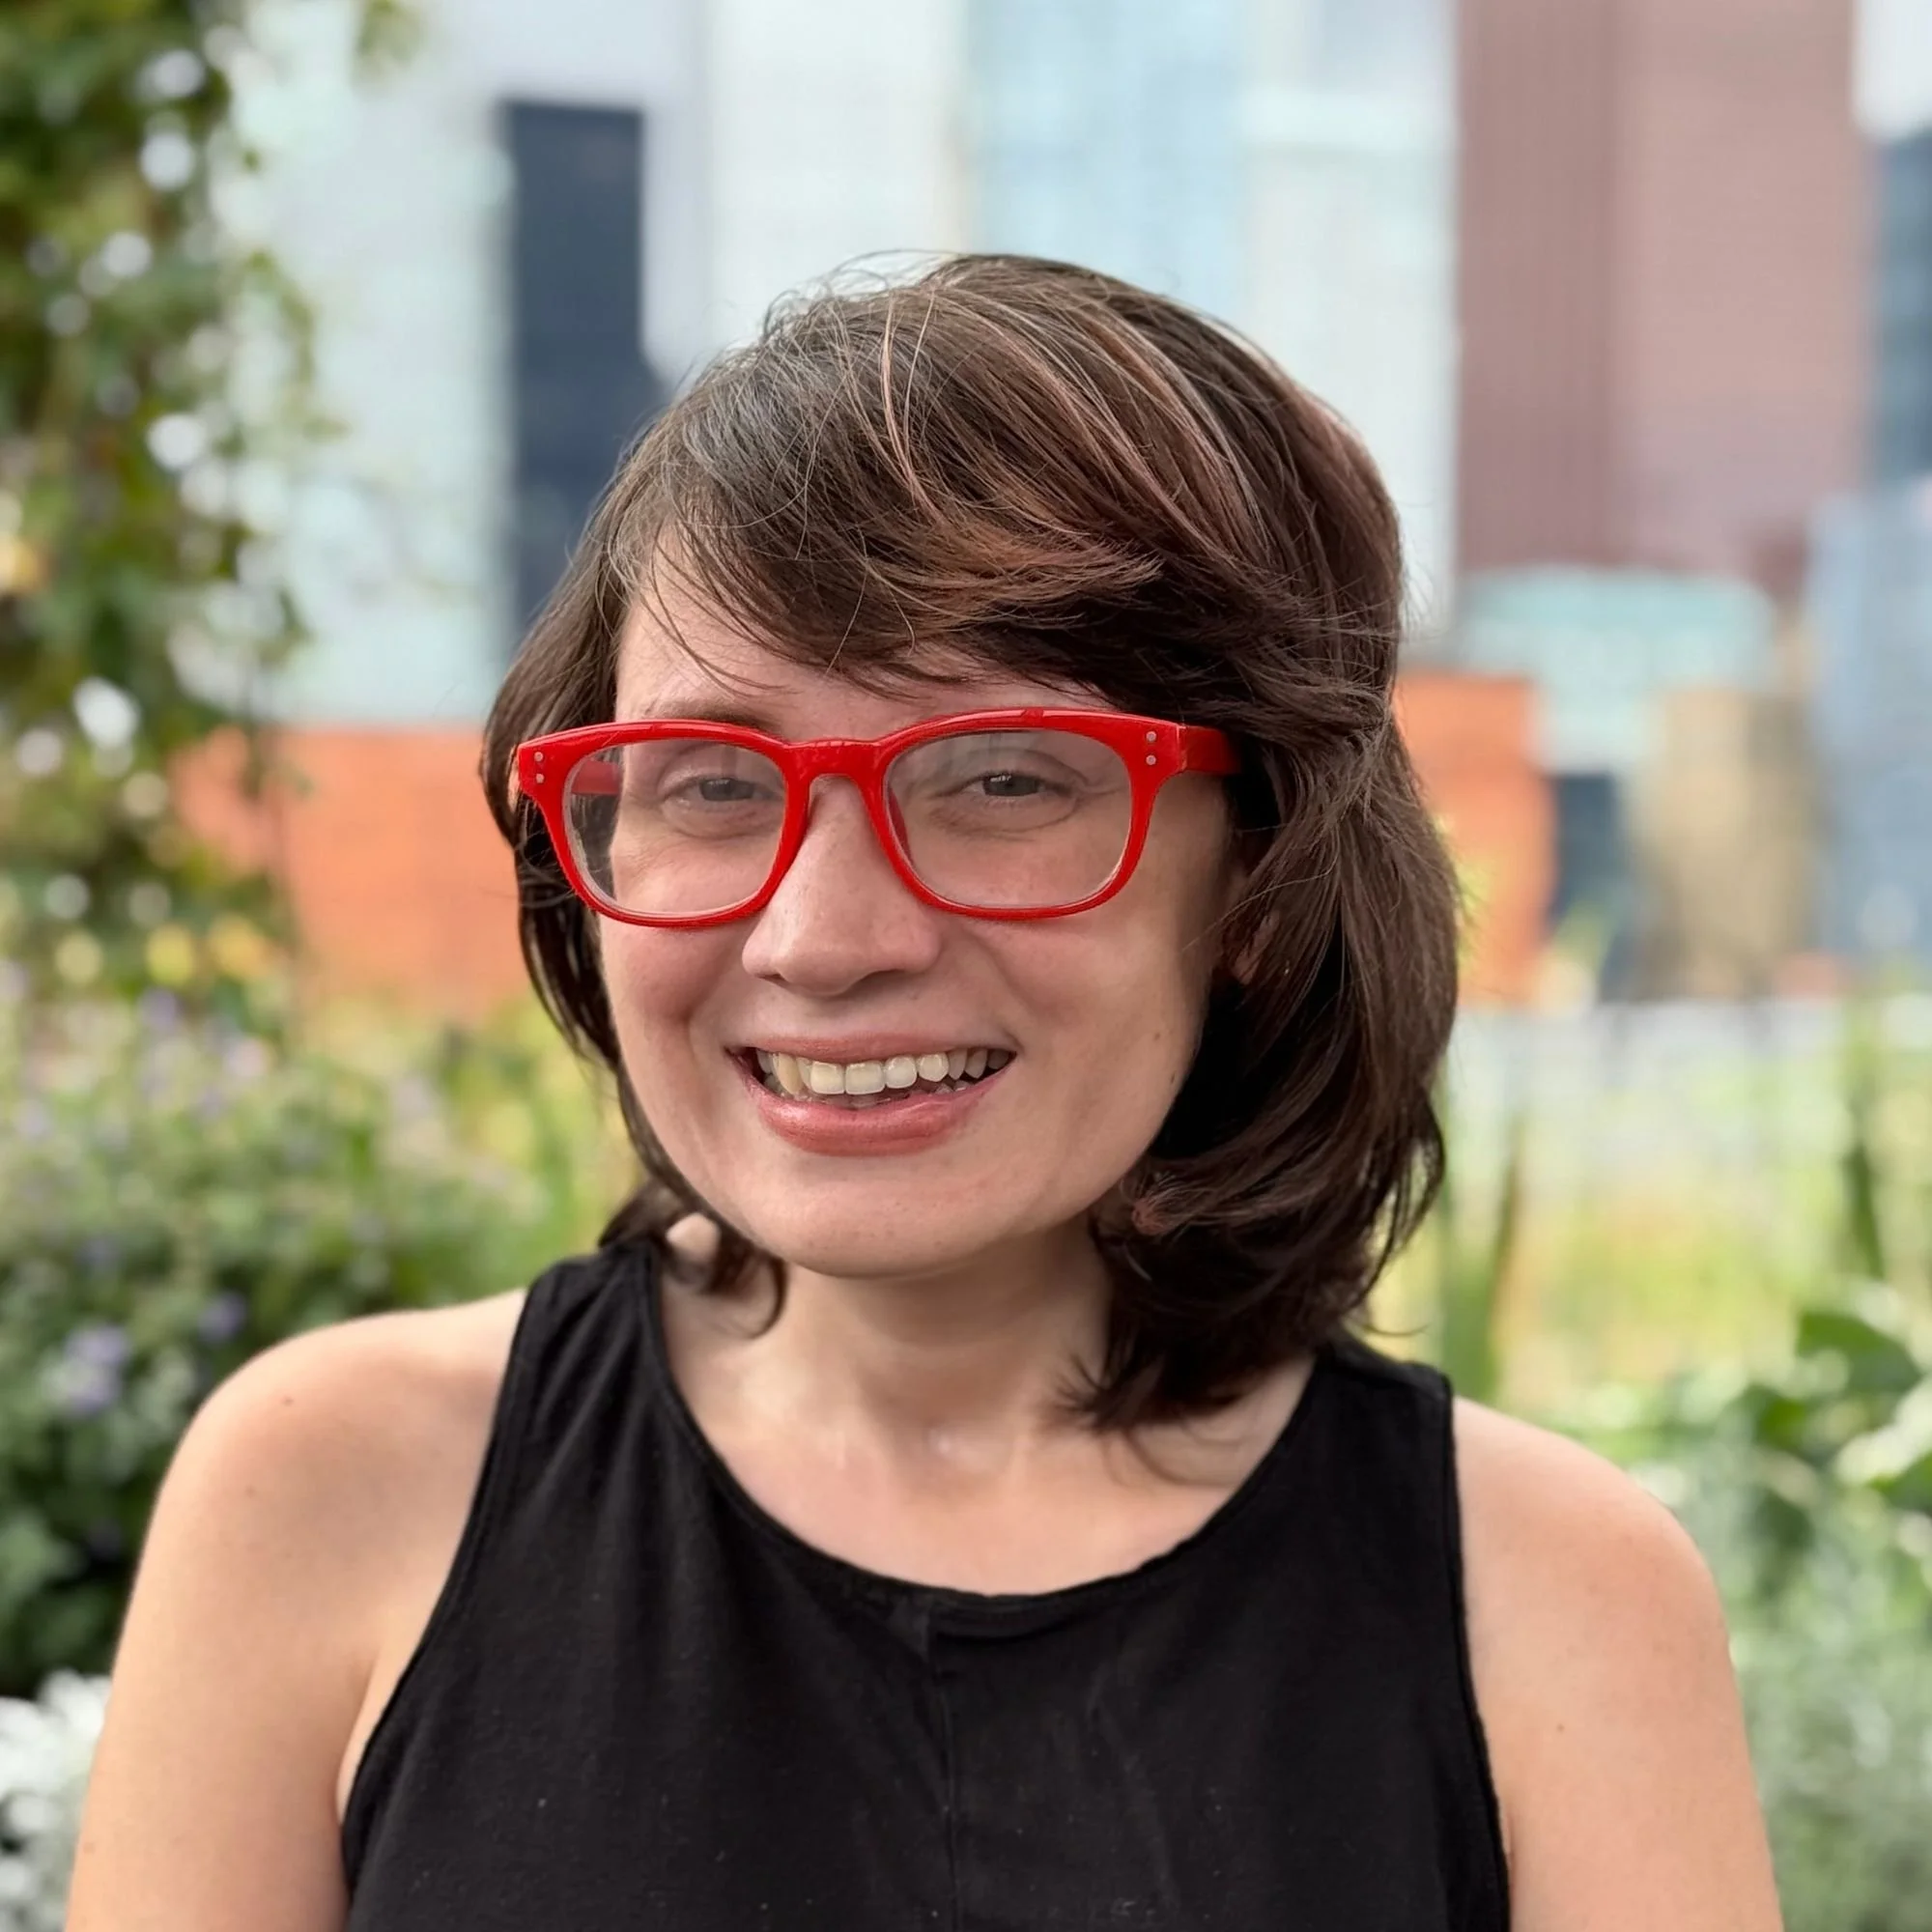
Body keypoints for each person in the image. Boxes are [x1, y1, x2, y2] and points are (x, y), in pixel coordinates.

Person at [68, 255, 1782, 1931]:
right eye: (710, 781)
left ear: (1264, 878)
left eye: (1006, 779)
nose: (822, 940)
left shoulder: (1555, 1607)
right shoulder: (330, 1492)